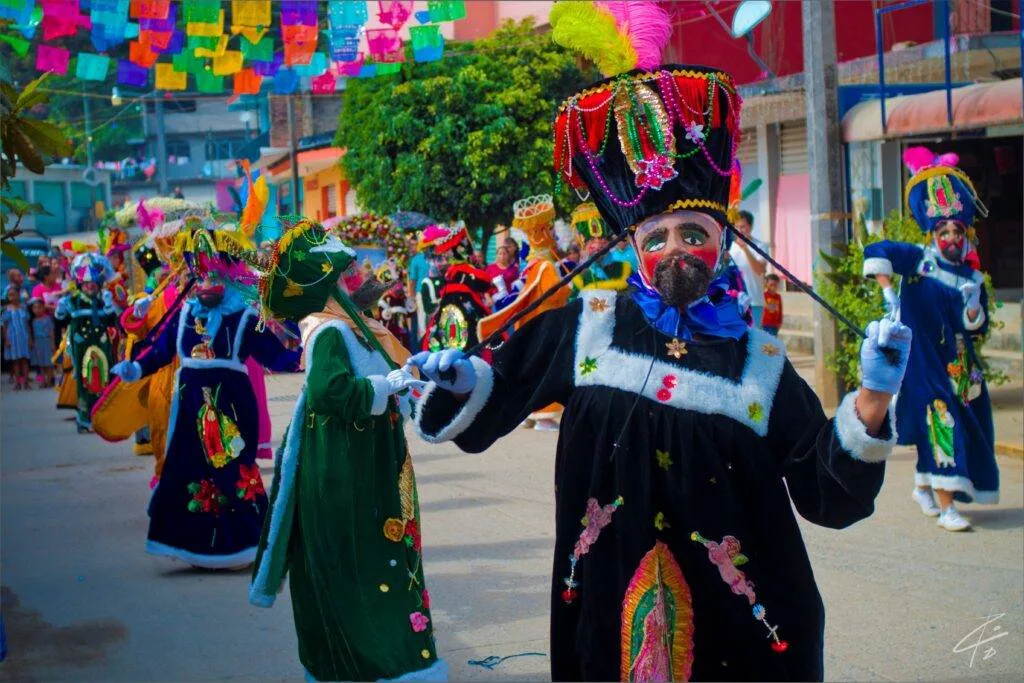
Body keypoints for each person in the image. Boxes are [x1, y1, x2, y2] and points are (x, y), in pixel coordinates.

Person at [407, 49, 913, 681]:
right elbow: (501, 387)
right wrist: (460, 378)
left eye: (693, 234)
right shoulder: (589, 324)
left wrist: (873, 397)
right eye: (657, 238)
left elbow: (825, 492)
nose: (676, 249)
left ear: (722, 244)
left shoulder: (760, 363)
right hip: (606, 602)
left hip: (735, 632)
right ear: (635, 247)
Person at [249, 219, 445, 682]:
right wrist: (384, 386)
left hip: (371, 457)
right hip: (345, 463)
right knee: (357, 559)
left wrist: (408, 381)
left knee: (384, 551)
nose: (355, 276)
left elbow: (384, 373)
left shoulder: (355, 324)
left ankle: (399, 659)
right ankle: (369, 664)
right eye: (344, 272)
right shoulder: (329, 330)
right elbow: (328, 391)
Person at [111, 222, 301, 569]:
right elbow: (160, 349)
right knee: (186, 470)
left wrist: (301, 344)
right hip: (188, 410)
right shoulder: (185, 314)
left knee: (232, 470)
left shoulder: (244, 317)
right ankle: (194, 548)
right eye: (200, 278)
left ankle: (245, 546)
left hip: (231, 408)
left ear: (227, 277)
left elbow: (276, 356)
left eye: (213, 277)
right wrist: (135, 368)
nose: (205, 285)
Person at [863, 147, 998, 532]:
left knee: (971, 422)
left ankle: (924, 484)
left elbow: (977, 329)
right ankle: (947, 506)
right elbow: (879, 251)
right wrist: (888, 292)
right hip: (923, 362)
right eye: (944, 231)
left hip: (961, 365)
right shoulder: (919, 260)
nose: (951, 237)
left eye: (957, 231)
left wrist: (973, 307)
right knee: (942, 421)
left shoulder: (971, 278)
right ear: (933, 234)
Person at [478, 194, 573, 431]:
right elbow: (555, 293)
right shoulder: (545, 266)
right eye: (549, 229)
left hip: (532, 324)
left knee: (531, 368)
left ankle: (528, 414)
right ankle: (544, 416)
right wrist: (570, 286)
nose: (553, 234)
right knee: (547, 368)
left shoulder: (531, 265)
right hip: (546, 325)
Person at [55, 254, 120, 432]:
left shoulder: (103, 301)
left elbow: (112, 322)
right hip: (82, 348)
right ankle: (84, 419)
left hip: (102, 346)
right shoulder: (72, 302)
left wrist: (109, 306)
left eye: (93, 284)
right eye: (86, 284)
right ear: (80, 285)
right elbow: (60, 322)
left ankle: (104, 419)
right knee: (85, 381)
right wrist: (59, 311)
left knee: (105, 380)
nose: (90, 286)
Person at [419, 224, 493, 354]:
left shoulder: (457, 272)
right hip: (458, 320)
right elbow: (485, 284)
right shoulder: (456, 272)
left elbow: (485, 284)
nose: (440, 261)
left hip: (459, 319)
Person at [569, 202, 632, 296]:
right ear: (585, 246)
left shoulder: (623, 268)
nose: (597, 245)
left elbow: (638, 295)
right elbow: (573, 302)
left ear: (608, 243)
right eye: (591, 240)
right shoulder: (582, 278)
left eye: (602, 239)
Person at [728, 210, 768, 327]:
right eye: (736, 227)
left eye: (742, 227)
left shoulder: (760, 246)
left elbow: (759, 270)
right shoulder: (729, 247)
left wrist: (745, 248)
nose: (739, 230)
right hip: (732, 301)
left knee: (752, 337)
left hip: (753, 301)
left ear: (750, 227)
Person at [2, 287, 32, 390]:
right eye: (10, 295)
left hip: (23, 336)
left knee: (25, 360)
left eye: (14, 294)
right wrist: (6, 339)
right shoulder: (6, 310)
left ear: (18, 295)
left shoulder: (23, 308)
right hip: (13, 338)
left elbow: (27, 324)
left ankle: (26, 382)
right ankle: (17, 382)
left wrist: (30, 338)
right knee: (15, 361)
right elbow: (4, 326)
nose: (12, 297)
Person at [28, 297, 55, 387]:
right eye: (35, 308)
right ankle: (43, 381)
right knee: (40, 364)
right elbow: (30, 333)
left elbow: (51, 333)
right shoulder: (33, 321)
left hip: (46, 342)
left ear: (43, 308)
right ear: (32, 309)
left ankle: (49, 380)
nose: (37, 310)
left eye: (39, 307)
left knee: (48, 363)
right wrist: (31, 341)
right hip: (37, 343)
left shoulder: (47, 319)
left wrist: (52, 344)